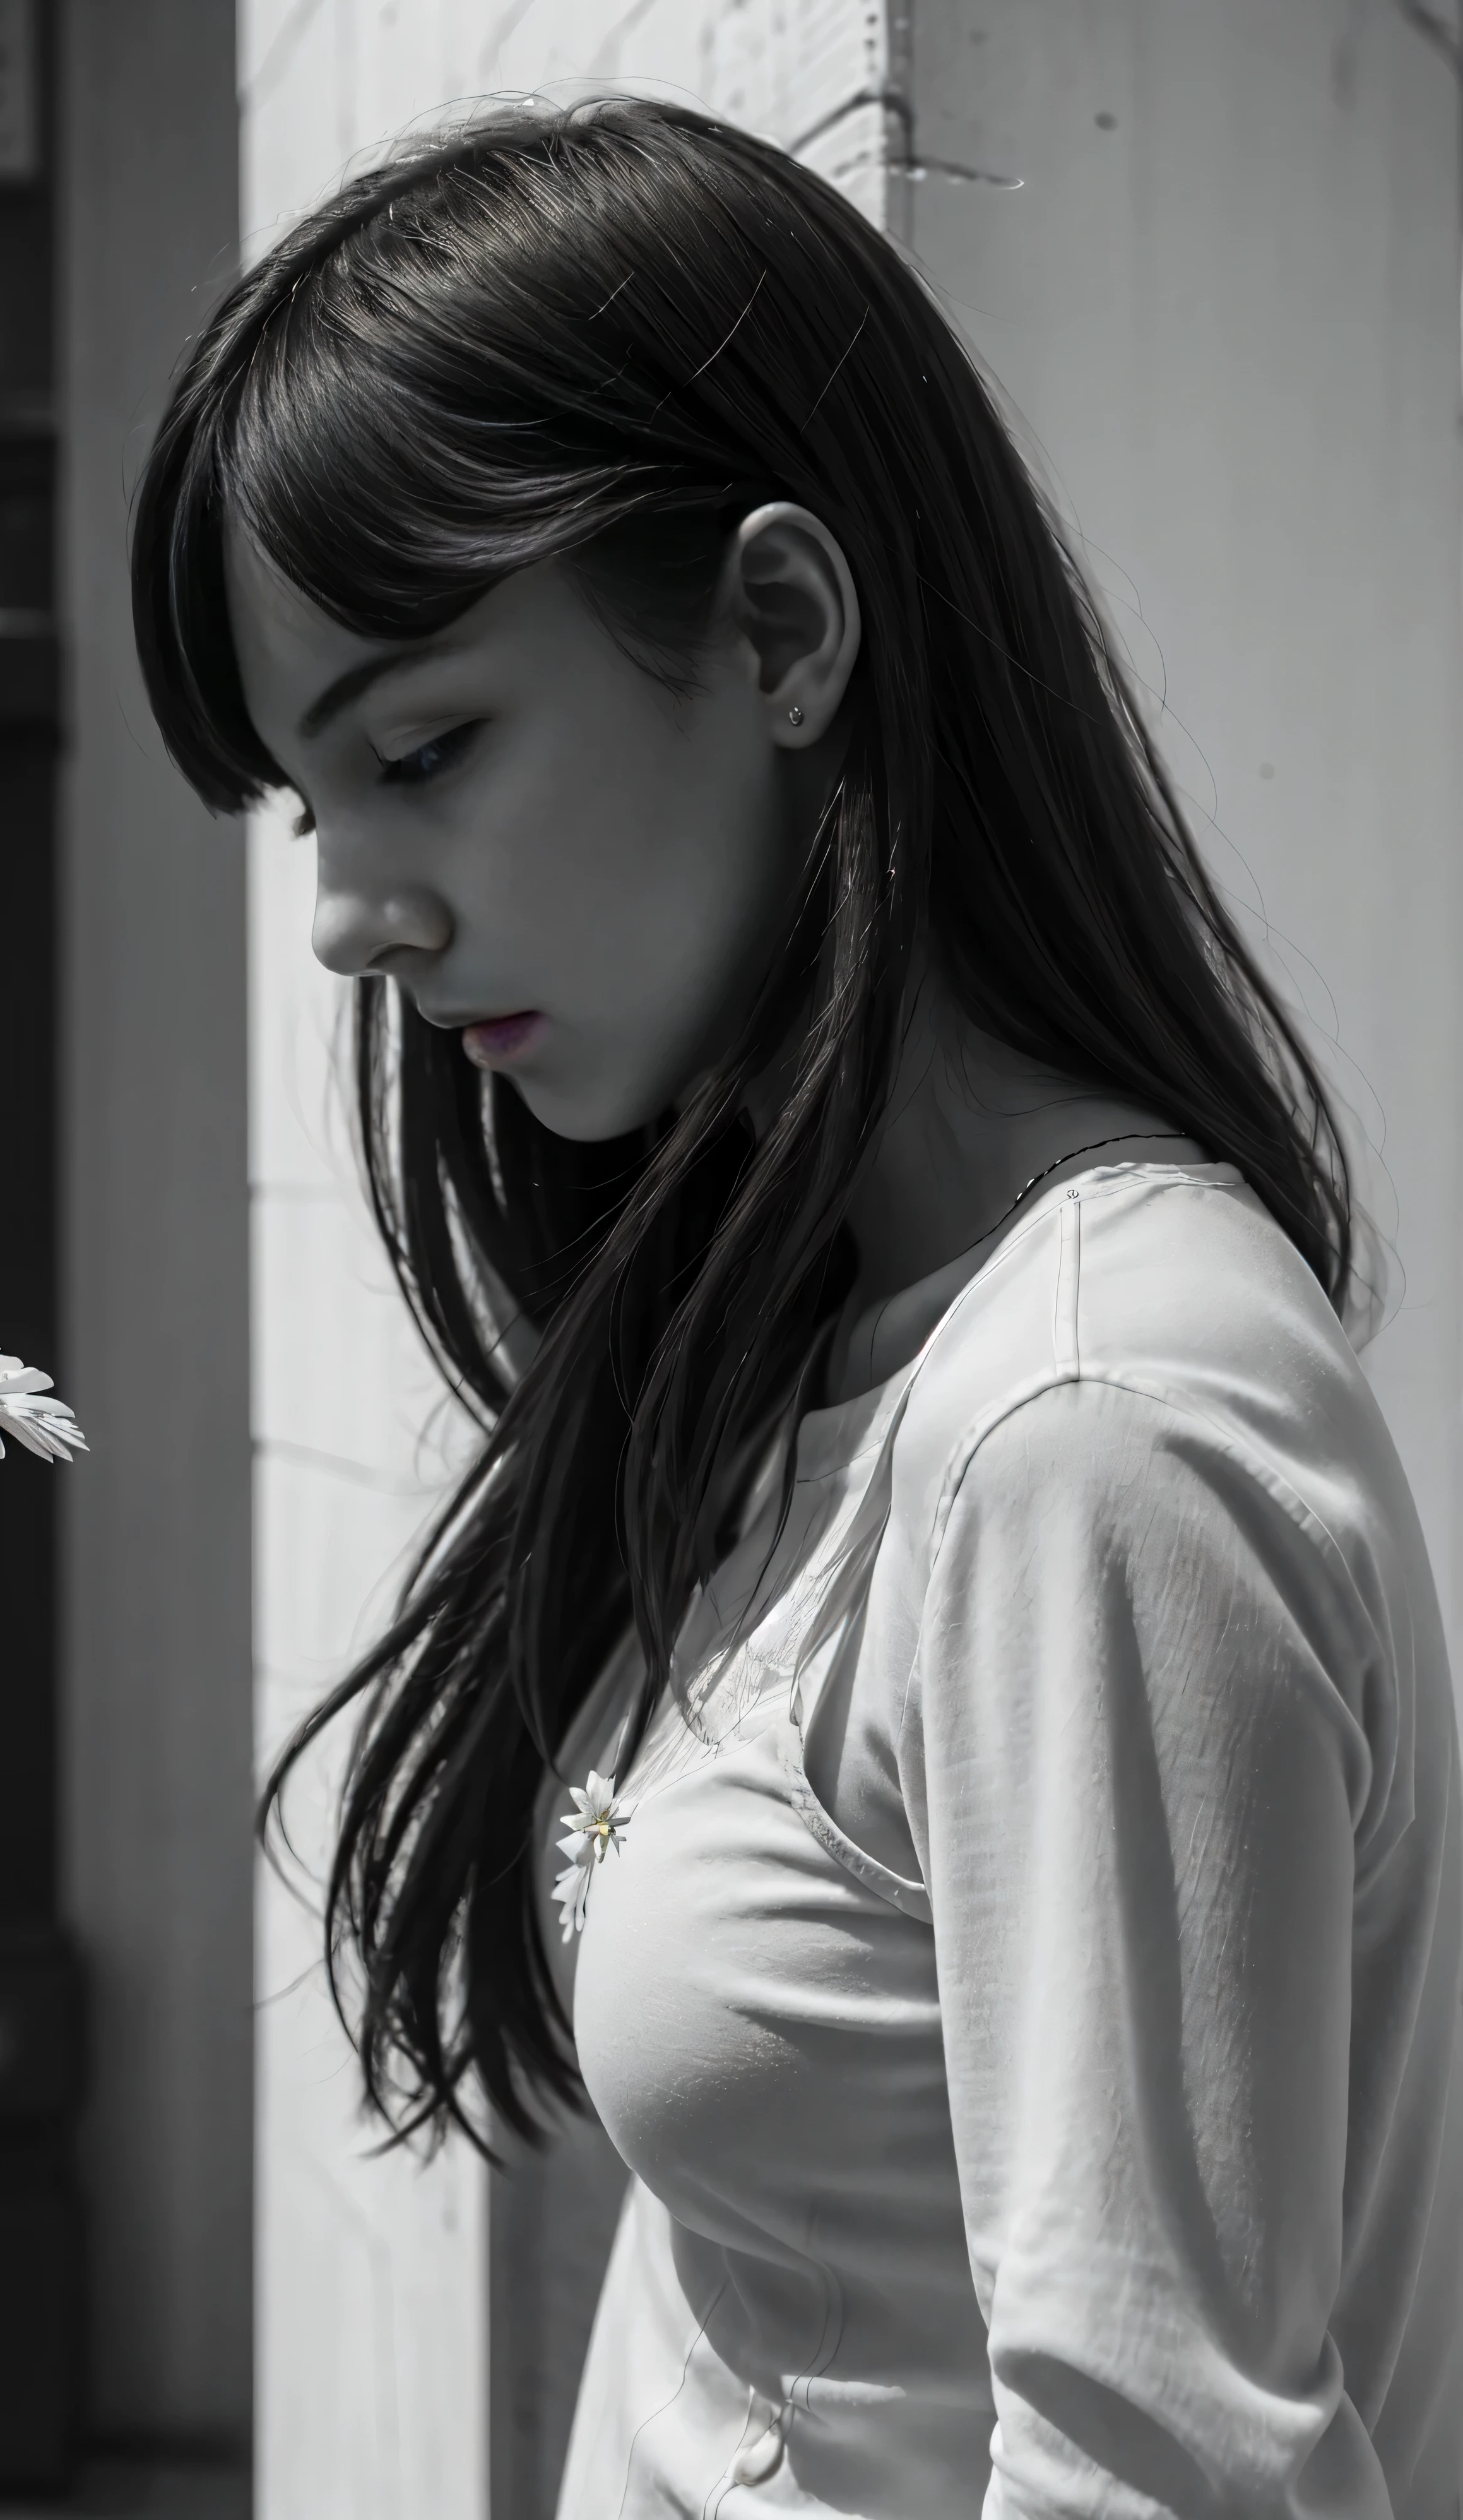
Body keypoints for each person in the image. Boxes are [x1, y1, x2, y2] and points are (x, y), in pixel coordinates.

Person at [130, 98, 1462, 2519]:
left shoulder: (1093, 1431)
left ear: (780, 629)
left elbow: (1163, 2473)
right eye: (314, 807)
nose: (350, 912)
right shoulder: (843, 1335)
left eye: (422, 751)